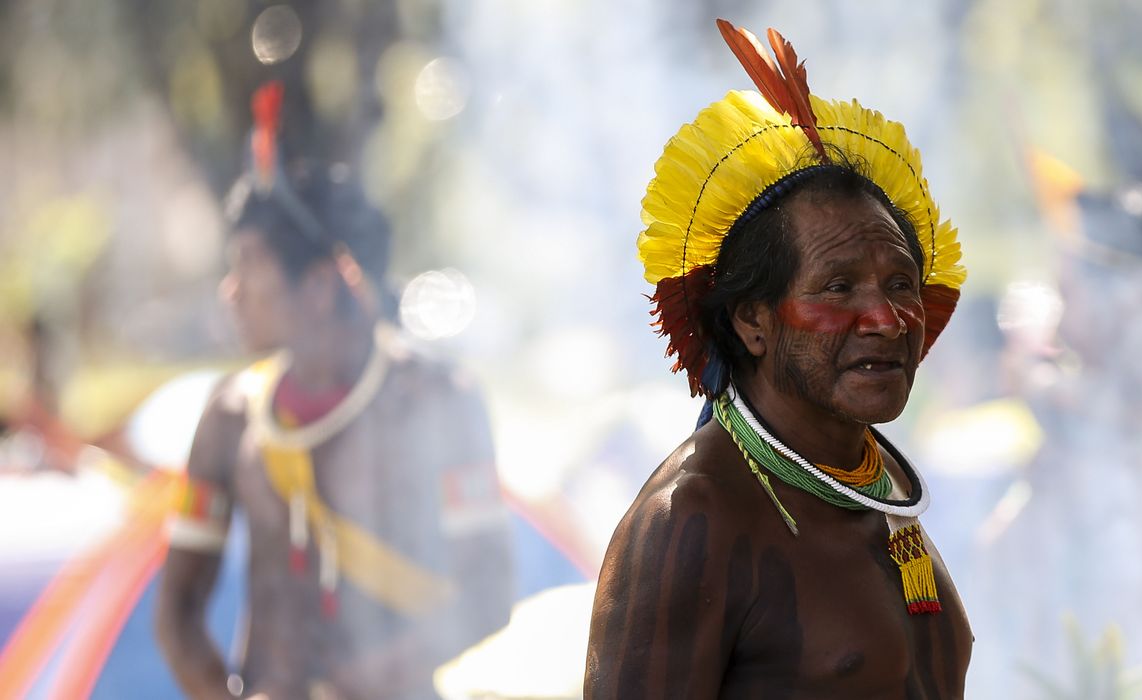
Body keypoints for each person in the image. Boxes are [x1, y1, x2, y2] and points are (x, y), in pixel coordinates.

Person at [585, 20, 972, 697]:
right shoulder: (693, 519)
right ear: (753, 321)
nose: (886, 319)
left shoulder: (874, 493)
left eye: (901, 283)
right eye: (838, 287)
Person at [154, 82, 513, 700]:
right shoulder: (229, 416)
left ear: (320, 284)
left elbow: (485, 594)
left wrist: (362, 683)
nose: (230, 292)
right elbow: (177, 612)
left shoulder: (438, 400)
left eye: (248, 267)